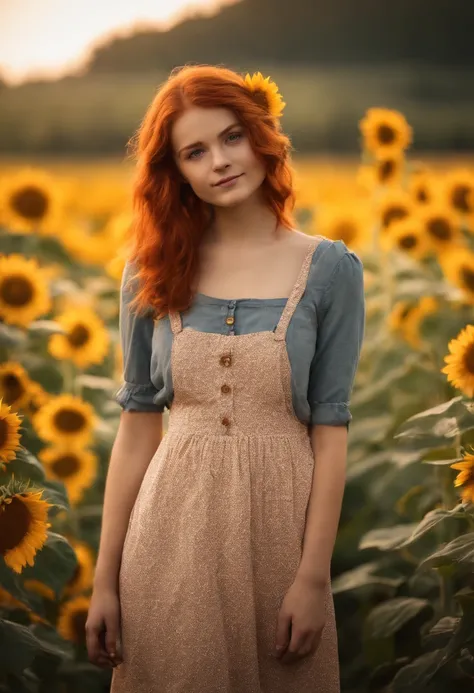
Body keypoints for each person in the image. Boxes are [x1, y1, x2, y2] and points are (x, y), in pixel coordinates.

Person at [86, 64, 365, 693]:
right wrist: (106, 580)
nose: (219, 161)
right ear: (176, 170)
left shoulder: (330, 269)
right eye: (195, 151)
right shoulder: (150, 273)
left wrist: (313, 576)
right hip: (166, 543)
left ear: (262, 135)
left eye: (232, 136)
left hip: (279, 545)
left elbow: (330, 429)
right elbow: (136, 433)